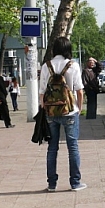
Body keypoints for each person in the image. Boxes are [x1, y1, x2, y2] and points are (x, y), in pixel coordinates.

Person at [38, 37, 87, 192]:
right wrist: (79, 108)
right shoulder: (73, 66)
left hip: (51, 112)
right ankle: (75, 183)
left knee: (52, 148)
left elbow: (41, 92)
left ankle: (51, 184)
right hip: (70, 111)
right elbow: (79, 90)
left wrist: (44, 107)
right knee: (73, 147)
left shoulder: (46, 66)